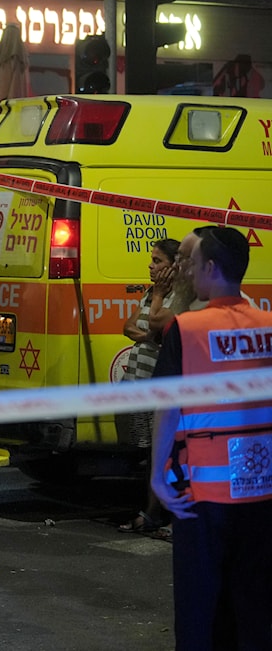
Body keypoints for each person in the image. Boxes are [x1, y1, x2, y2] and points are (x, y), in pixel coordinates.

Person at [150, 225, 272, 650]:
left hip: (201, 494)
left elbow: (167, 407)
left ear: (213, 268)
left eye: (193, 263)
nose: (187, 271)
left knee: (200, 609)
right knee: (254, 606)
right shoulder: (268, 324)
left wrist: (156, 479)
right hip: (260, 492)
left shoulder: (187, 329)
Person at [116, 238, 180, 534]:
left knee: (162, 453)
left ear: (174, 266)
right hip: (139, 382)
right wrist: (145, 337)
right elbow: (130, 327)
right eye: (151, 260)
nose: (151, 266)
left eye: (158, 261)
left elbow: (157, 324)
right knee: (148, 452)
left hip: (161, 385)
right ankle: (152, 511)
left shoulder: (176, 297)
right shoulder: (151, 293)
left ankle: (156, 514)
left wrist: (149, 328)